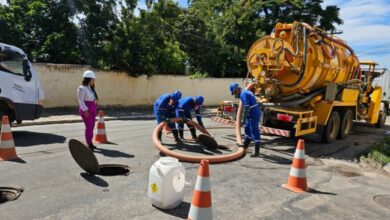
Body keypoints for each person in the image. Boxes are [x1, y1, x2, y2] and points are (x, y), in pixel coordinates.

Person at [229, 83, 261, 157]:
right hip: (251, 112)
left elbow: (246, 107)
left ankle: (257, 152)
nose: (235, 95)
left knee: (254, 130)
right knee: (247, 128)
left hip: (253, 112)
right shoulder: (244, 92)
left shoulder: (243, 94)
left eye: (234, 92)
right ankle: (245, 145)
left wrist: (243, 120)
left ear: (237, 89)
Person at [77, 70, 99, 150]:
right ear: (88, 79)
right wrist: (85, 110)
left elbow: (91, 98)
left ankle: (90, 142)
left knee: (92, 126)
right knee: (89, 127)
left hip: (92, 108)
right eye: (93, 80)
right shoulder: (81, 88)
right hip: (86, 110)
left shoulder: (90, 88)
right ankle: (88, 144)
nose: (94, 81)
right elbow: (81, 100)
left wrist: (95, 102)